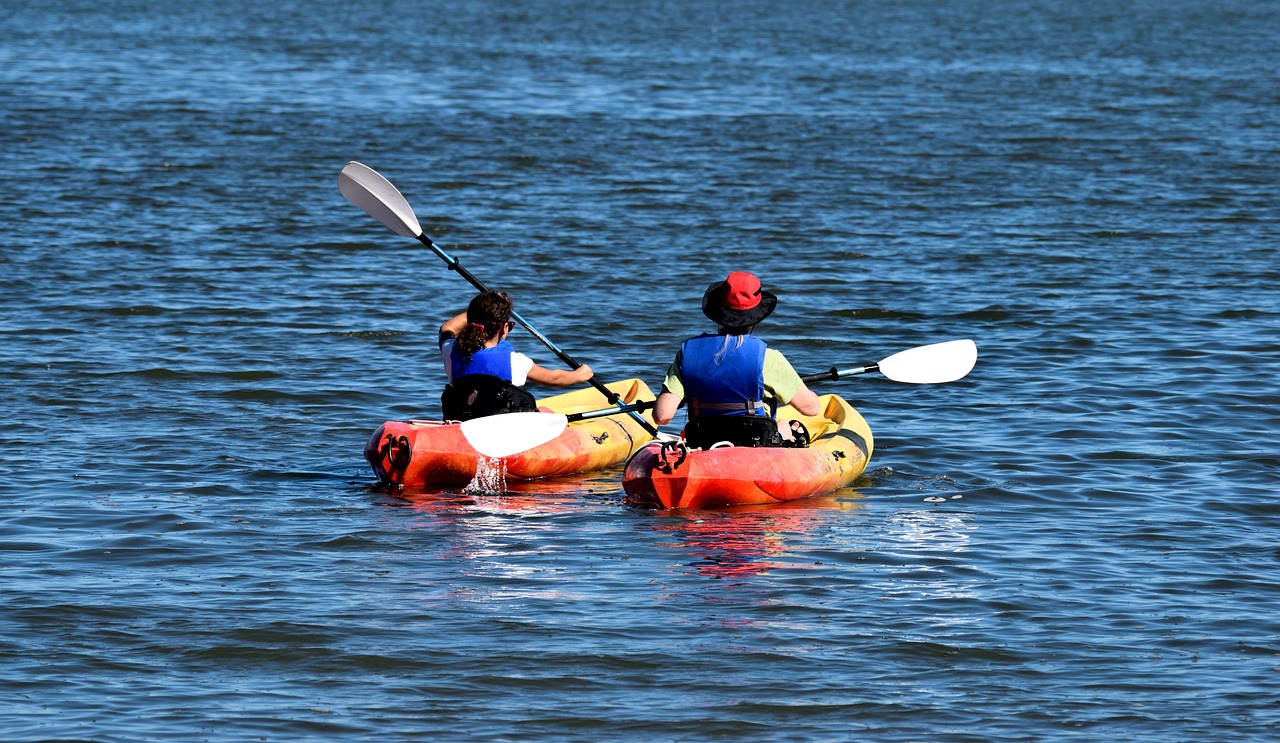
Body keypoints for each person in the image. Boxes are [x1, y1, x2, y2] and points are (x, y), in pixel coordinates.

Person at [653, 271, 821, 448]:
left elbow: (662, 416)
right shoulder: (768, 358)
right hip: (756, 443)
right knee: (783, 425)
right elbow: (811, 408)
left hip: (703, 442)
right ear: (755, 318)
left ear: (718, 312)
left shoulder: (687, 354)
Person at [438, 291, 592, 421]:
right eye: (509, 325)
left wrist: (482, 311)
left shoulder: (450, 351)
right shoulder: (516, 362)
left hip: (464, 423)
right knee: (545, 411)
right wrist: (579, 375)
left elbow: (447, 327)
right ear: (504, 327)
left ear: (471, 322)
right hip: (506, 429)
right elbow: (554, 379)